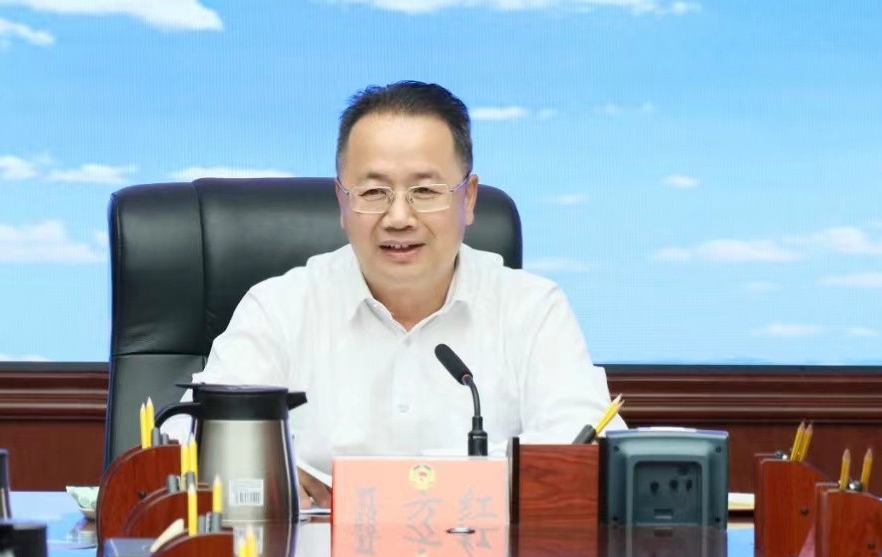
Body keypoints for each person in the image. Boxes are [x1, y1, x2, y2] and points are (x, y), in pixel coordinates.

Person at [162, 81, 624, 508]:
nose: (399, 217)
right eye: (373, 192)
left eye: (425, 190)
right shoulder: (279, 308)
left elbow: (588, 453)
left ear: (468, 199)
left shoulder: (532, 309)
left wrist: (379, 496)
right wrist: (269, 473)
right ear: (342, 202)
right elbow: (191, 446)